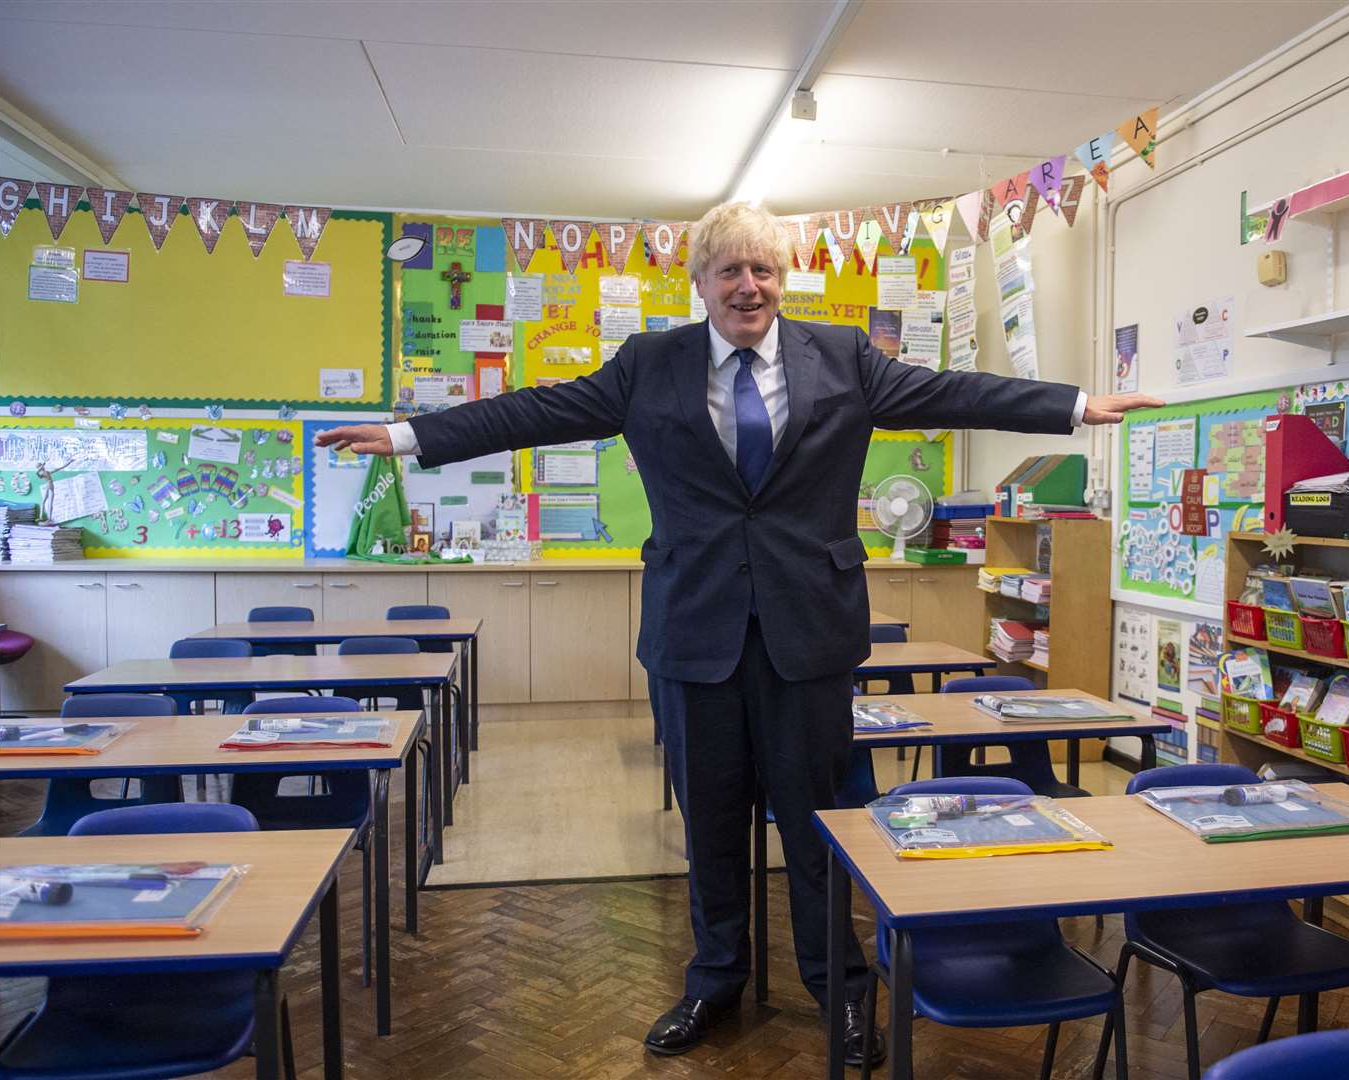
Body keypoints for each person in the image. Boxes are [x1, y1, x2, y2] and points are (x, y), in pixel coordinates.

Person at [317, 201, 1162, 1064]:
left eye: (762, 270)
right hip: (695, 632)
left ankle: (840, 988)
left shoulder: (838, 356)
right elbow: (537, 411)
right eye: (730, 270)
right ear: (701, 282)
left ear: (780, 280)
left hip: (809, 630)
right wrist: (408, 434)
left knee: (817, 822)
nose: (748, 286)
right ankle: (714, 981)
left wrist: (1075, 405)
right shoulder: (651, 363)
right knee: (712, 824)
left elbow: (956, 391)